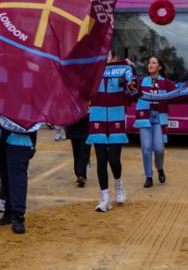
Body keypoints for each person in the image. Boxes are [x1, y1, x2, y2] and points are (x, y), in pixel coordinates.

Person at [88, 49, 138, 212]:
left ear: (113, 58)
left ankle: (118, 184)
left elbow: (134, 89)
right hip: (97, 118)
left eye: (107, 55)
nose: (104, 58)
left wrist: (132, 69)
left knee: (114, 160)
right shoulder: (91, 72)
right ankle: (105, 198)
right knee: (101, 159)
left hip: (116, 118)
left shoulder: (122, 72)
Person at [134, 56, 172, 186]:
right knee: (146, 148)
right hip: (145, 118)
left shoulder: (166, 83)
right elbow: (131, 85)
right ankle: (149, 177)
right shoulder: (141, 81)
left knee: (159, 148)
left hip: (159, 119)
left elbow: (178, 92)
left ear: (159, 67)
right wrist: (130, 67)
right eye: (149, 63)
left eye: (154, 63)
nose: (150, 65)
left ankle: (160, 168)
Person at [66, 113, 90, 187]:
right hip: (74, 126)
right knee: (77, 152)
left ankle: (81, 175)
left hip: (87, 125)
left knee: (84, 150)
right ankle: (80, 174)